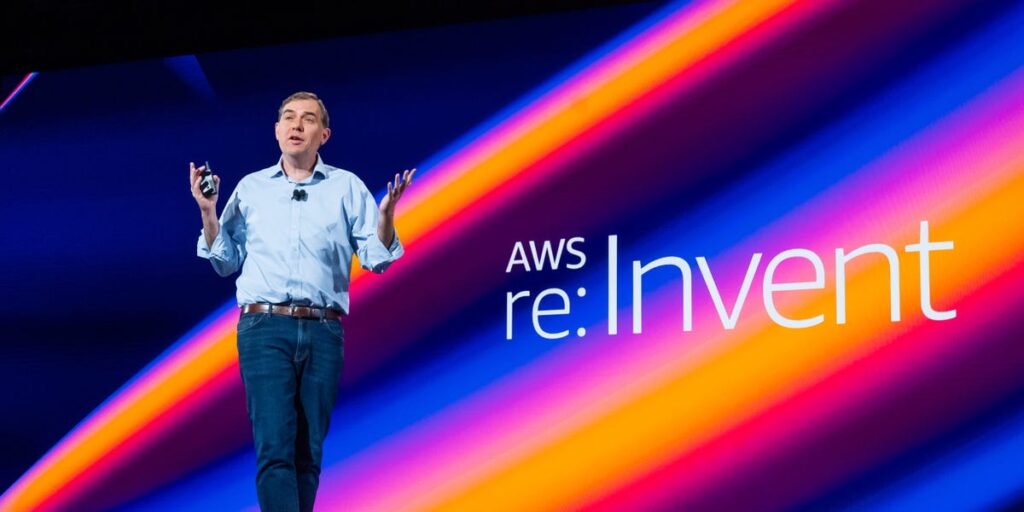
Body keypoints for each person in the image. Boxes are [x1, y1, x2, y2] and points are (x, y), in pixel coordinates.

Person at [190, 91, 414, 511]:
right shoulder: (251, 188)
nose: (296, 125)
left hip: (323, 330)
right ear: (277, 130)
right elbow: (225, 261)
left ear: (323, 134)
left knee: (307, 455)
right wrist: (208, 212)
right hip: (264, 329)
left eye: (308, 119)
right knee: (275, 448)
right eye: (289, 117)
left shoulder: (346, 187)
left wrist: (385, 217)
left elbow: (377, 258)